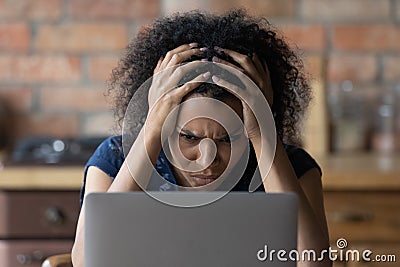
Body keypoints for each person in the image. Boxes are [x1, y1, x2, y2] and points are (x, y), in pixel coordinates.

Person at [72, 9, 331, 267]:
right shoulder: (117, 159)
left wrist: (263, 134)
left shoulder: (294, 169)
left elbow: (313, 264)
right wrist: (150, 129)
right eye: (189, 137)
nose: (206, 159)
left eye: (228, 139)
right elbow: (87, 263)